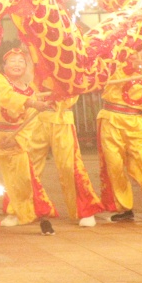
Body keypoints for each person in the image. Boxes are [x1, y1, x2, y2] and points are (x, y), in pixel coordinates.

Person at [0, 48, 56, 234]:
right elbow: (5, 97)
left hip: (14, 141)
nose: (17, 64)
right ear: (4, 66)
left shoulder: (31, 92)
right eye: (12, 61)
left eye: (21, 61)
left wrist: (17, 139)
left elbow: (30, 123)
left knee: (25, 182)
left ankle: (41, 218)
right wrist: (33, 103)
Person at [97, 51, 142, 222]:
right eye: (132, 54)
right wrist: (128, 68)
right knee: (115, 165)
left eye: (139, 54)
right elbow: (107, 83)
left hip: (137, 121)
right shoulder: (112, 66)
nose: (136, 57)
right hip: (112, 119)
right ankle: (123, 207)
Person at [24, 92, 104, 228]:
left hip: (62, 118)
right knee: (27, 163)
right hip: (36, 118)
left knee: (69, 165)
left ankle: (85, 210)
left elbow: (75, 86)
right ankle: (21, 208)